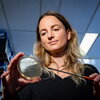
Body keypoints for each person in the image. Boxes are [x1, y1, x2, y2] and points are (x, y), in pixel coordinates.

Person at [1, 11, 100, 100]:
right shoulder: (32, 76)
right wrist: (8, 93)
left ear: (68, 34)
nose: (49, 36)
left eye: (56, 29)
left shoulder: (89, 72)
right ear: (42, 42)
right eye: (43, 33)